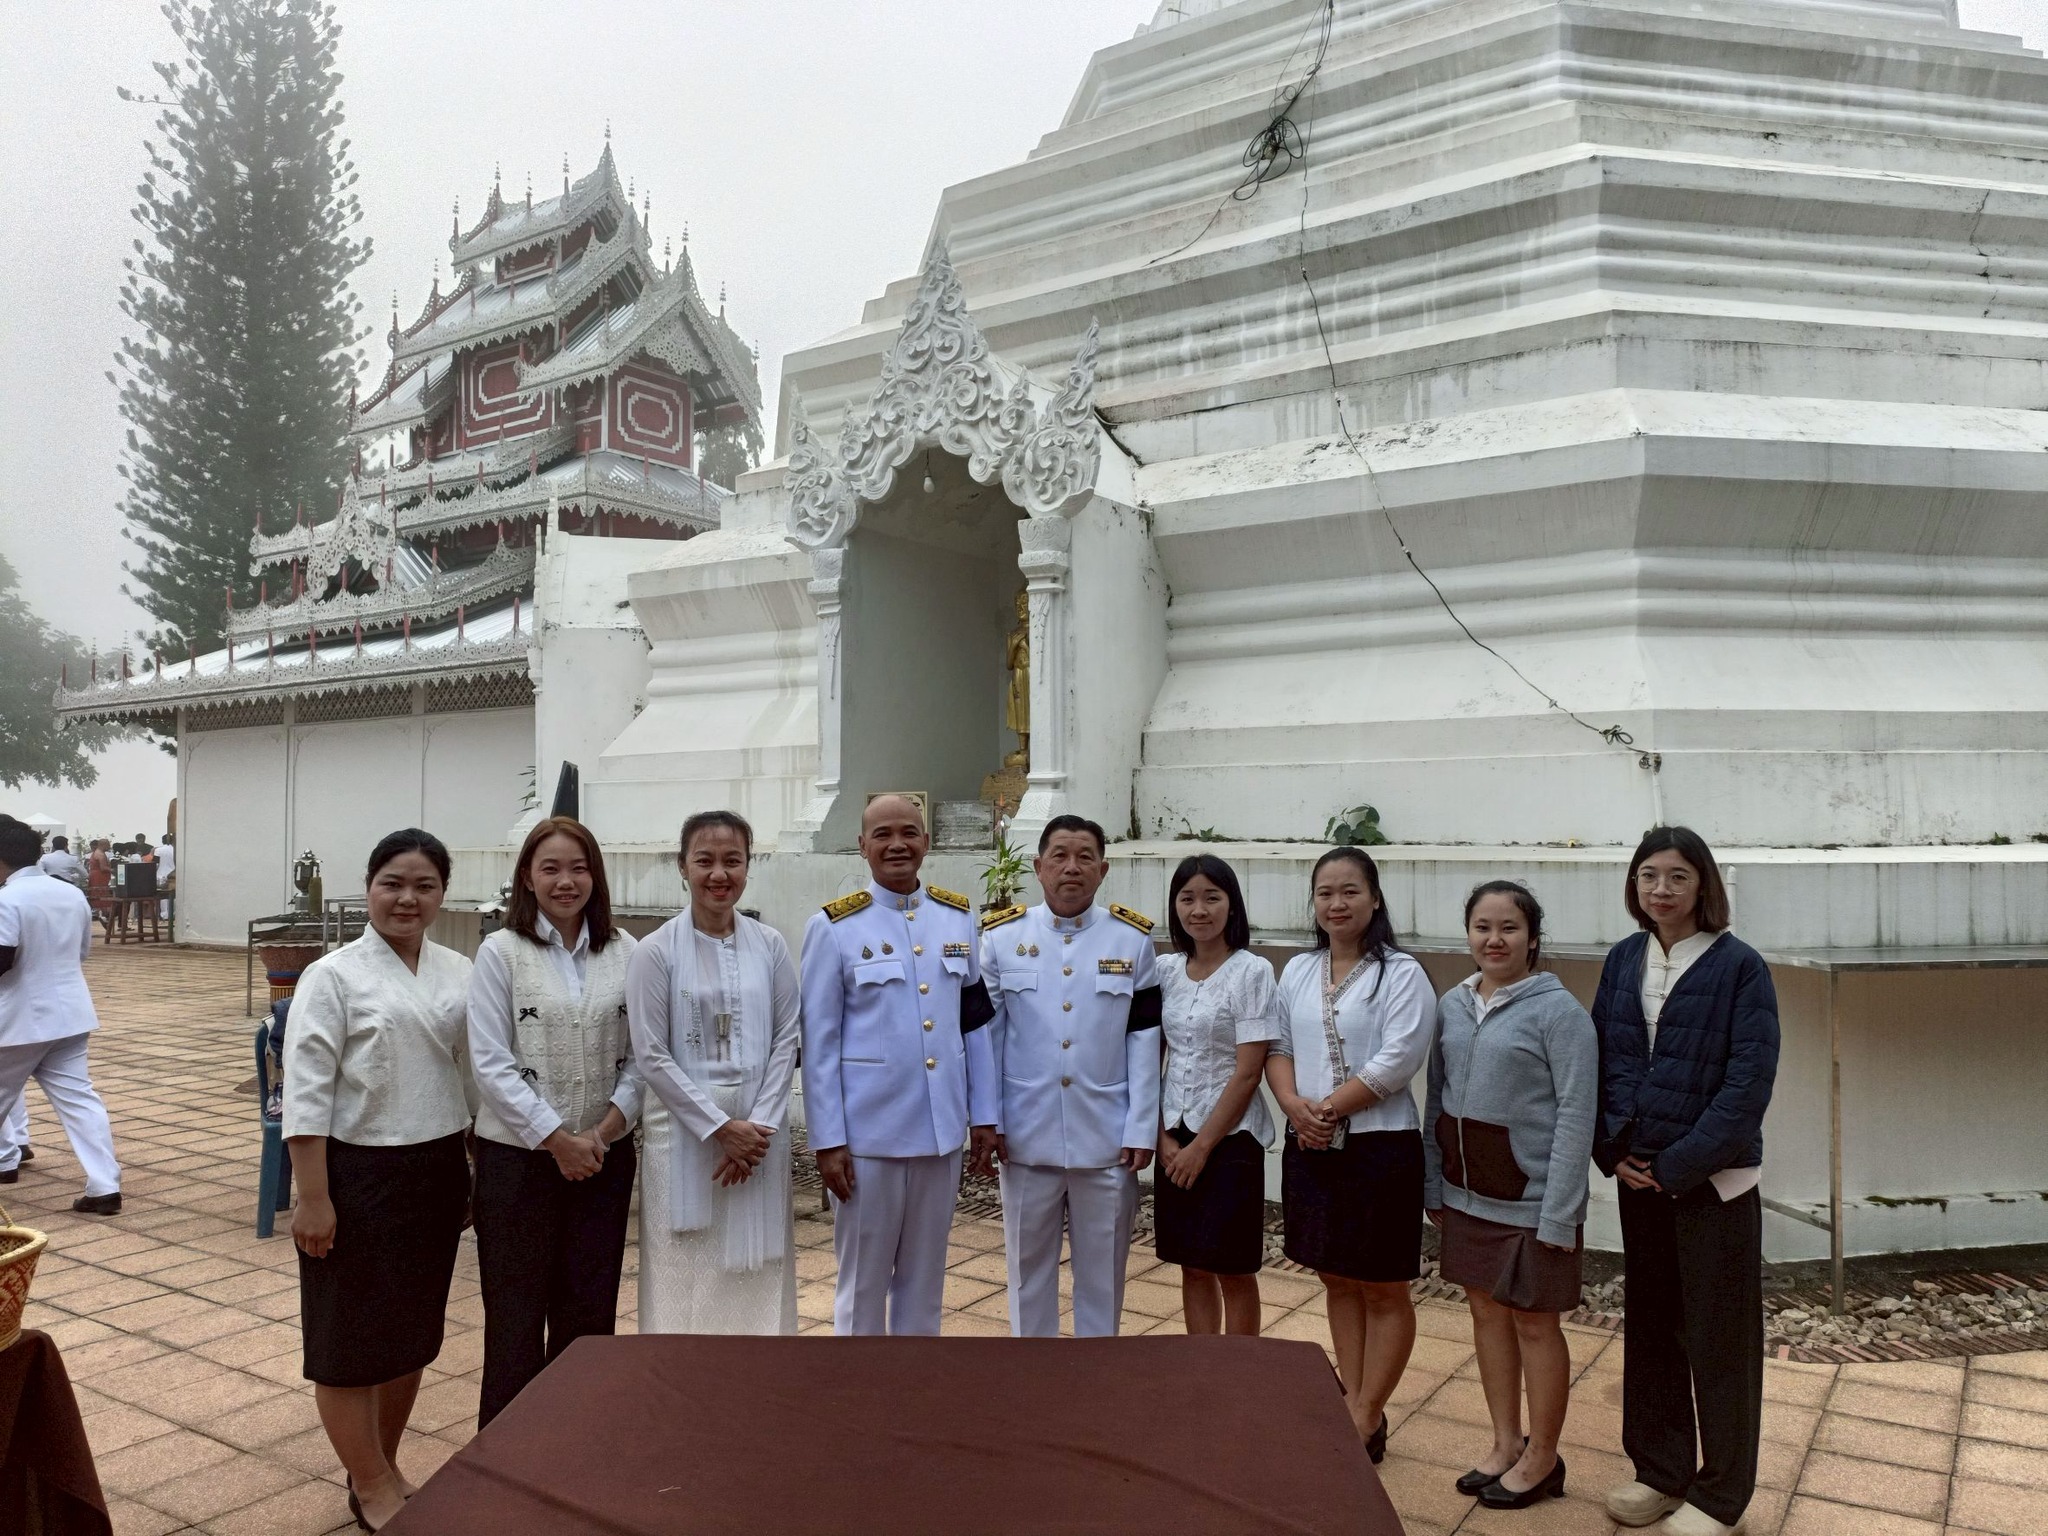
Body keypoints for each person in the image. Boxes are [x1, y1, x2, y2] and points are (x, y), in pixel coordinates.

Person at [284, 829, 474, 1532]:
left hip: (436, 1168)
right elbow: (305, 1092)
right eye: (393, 882)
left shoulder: (460, 970)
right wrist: (314, 1197)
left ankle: (383, 1463)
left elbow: (473, 1075)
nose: (407, 898)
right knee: (347, 1339)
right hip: (356, 1172)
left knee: (410, 1333)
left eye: (424, 885)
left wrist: (477, 1167)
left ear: (442, 895)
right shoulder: (331, 976)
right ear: (368, 887)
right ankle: (370, 1484)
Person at [1594, 828, 1778, 1536]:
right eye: (1648, 876)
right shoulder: (1622, 960)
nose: (1660, 889)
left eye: (1676, 876)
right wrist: (1616, 1154)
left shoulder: (1740, 969)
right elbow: (1605, 1057)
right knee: (1653, 1332)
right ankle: (1659, 1472)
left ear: (1704, 884)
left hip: (1713, 1184)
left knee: (1720, 1342)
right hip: (1640, 1181)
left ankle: (1720, 1496)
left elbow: (1746, 1085)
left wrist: (1676, 1167)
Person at [1424, 881, 1598, 1510]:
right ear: (1467, 933)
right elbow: (1436, 1099)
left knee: (1535, 1326)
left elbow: (1578, 1115)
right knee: (1485, 1315)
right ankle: (1504, 1444)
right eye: (1481, 927)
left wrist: (1560, 1210)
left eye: (1509, 928)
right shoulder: (1451, 1004)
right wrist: (1433, 1177)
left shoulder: (1560, 1014)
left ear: (1533, 937)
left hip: (1533, 1202)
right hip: (1468, 1197)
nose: (1494, 940)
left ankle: (1543, 1457)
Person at [799, 794, 996, 1336]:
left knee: (925, 1278)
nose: (897, 844)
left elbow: (973, 1024)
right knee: (862, 1282)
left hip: (939, 1132)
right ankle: (858, 1395)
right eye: (882, 834)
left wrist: (983, 1116)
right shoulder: (835, 928)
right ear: (862, 846)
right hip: (869, 1137)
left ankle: (915, 1387)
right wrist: (828, 1139)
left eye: (909, 832)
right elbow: (818, 1042)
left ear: (926, 843)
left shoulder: (957, 918)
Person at [467, 817, 640, 1429]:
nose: (566, 881)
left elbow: (644, 1057)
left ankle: (577, 1450)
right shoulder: (500, 953)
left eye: (579, 867)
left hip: (604, 1158)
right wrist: (556, 1139)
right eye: (551, 869)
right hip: (517, 1164)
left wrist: (603, 1132)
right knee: (514, 1316)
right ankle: (505, 1463)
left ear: (595, 874)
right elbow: (490, 1062)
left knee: (589, 1315)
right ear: (526, 878)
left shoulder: (625, 952)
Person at [1267, 847, 1432, 1462]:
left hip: (1379, 1148)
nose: (1337, 904)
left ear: (1375, 898)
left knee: (1383, 1285)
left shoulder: (1402, 974)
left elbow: (1398, 1058)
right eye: (1325, 893)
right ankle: (1352, 1399)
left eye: (1350, 892)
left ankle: (1365, 1413)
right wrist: (1293, 1107)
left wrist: (1327, 1110)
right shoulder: (1298, 971)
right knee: (1335, 1276)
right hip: (1310, 1144)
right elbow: (1277, 1043)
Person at [981, 815, 1162, 1338]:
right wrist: (988, 1120)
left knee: (1103, 1276)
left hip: (1106, 1138)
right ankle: (1031, 1378)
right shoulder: (1002, 937)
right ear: (1038, 867)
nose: (1072, 867)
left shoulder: (1131, 941)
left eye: (1085, 857)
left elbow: (1144, 1039)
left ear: (1103, 870)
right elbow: (987, 1039)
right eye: (1059, 855)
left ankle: (1096, 1382)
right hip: (1024, 1133)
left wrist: (1138, 1128)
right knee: (1026, 1273)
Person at [628, 810, 801, 1335]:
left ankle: (759, 1385)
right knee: (686, 1267)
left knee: (758, 1269)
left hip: (759, 1136)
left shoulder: (770, 946)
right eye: (705, 861)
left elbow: (786, 1038)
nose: (719, 874)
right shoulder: (654, 951)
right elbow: (651, 1054)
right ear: (682, 867)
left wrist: (758, 1130)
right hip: (685, 1137)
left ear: (749, 866)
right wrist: (721, 1129)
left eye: (733, 860)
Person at [1152, 853, 1278, 1336]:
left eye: (1211, 897)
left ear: (1232, 905)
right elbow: (1149, 1057)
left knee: (1233, 1267)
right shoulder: (1165, 970)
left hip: (1229, 1141)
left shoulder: (1251, 972)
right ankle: (1202, 1367)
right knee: (1192, 1263)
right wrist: (1163, 1138)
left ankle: (1239, 1375)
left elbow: (1248, 1073)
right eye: (1187, 898)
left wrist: (1201, 1147)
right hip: (1173, 1137)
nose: (1198, 909)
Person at [0, 817, 121, 1211]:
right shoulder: (69, 895)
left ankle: (6, 1160)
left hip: (20, 1018)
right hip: (70, 1013)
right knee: (80, 1100)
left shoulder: (7, 900)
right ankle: (105, 1187)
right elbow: (81, 953)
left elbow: (3, 959)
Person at [86, 839, 114, 937]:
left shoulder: (96, 853)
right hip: (100, 877)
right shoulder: (101, 855)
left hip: (94, 875)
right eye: (108, 844)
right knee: (103, 897)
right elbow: (103, 867)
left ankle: (101, 914)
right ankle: (104, 915)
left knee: (97, 896)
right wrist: (113, 870)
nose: (109, 846)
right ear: (103, 844)